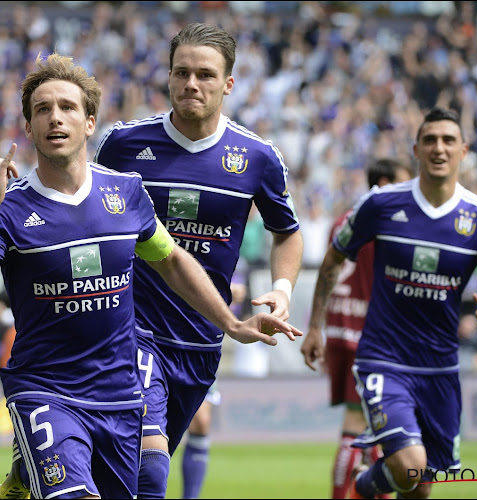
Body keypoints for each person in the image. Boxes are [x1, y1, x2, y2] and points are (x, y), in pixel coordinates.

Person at [0, 53, 300, 500]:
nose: (56, 118)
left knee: (149, 484)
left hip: (119, 395)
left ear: (90, 123)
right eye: (42, 110)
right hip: (46, 391)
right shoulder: (9, 207)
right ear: (28, 128)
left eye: (68, 108)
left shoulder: (125, 192)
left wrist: (230, 322)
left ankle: (27, 475)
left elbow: (170, 261)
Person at [94, 22, 308, 499]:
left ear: (228, 83)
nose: (192, 84)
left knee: (126, 476)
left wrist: (282, 288)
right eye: (182, 73)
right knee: (149, 471)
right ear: (169, 78)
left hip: (200, 341)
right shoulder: (124, 144)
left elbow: (288, 234)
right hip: (130, 329)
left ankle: (38, 474)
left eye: (206, 75)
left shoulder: (257, 157)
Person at [300, 107, 477, 499]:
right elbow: (334, 256)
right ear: (416, 149)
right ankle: (365, 484)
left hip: (440, 368)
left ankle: (375, 477)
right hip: (383, 360)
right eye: (431, 140)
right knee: (411, 464)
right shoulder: (381, 204)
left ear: (464, 151)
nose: (439, 148)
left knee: (419, 488)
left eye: (448, 140)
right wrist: (315, 325)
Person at [315, 158, 413, 499]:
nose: (408, 190)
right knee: (364, 425)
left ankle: (361, 491)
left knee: (364, 424)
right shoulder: (384, 219)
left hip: (339, 330)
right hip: (369, 336)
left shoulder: (343, 218)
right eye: (402, 182)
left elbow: (332, 269)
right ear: (384, 183)